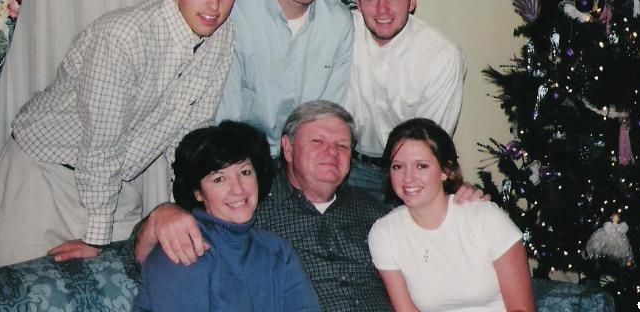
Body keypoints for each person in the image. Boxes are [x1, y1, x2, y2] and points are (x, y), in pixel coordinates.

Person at [0, 0, 247, 267]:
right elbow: (101, 141)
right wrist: (96, 236)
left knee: (128, 280)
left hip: (113, 181)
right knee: (24, 287)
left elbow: (190, 134)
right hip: (42, 174)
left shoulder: (221, 35)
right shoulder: (124, 37)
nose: (214, 5)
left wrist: (185, 204)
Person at [133, 101, 486, 311]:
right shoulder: (253, 211)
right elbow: (142, 258)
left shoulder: (377, 213)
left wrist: (458, 196)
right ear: (287, 149)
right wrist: (160, 216)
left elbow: (438, 246)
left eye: (342, 145)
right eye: (318, 141)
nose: (332, 153)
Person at [133, 121, 319, 312]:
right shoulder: (183, 247)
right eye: (219, 179)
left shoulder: (278, 250)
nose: (238, 189)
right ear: (198, 192)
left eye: (245, 172)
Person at [214, 0, 353, 157]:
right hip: (242, 156)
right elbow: (227, 114)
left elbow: (328, 115)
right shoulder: (236, 12)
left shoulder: (339, 22)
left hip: (305, 158)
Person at [368, 118, 535, 312]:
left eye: (421, 166)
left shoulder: (485, 217)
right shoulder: (384, 233)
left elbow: (522, 309)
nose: (408, 177)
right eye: (398, 166)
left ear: (445, 171)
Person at [347, 0, 466, 199]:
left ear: (411, 1)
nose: (382, 9)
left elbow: (429, 145)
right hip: (345, 166)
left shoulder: (440, 56)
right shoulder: (342, 33)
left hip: (406, 171)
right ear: (357, 2)